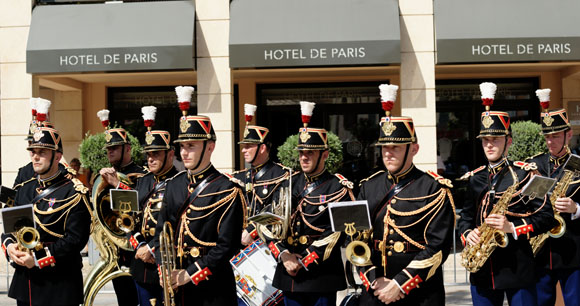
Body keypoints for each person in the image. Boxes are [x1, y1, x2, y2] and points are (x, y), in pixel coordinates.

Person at [357, 84, 456, 305]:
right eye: (384, 148)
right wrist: (375, 280)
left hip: (420, 291)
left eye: (396, 148)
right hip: (375, 289)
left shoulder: (434, 188)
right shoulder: (368, 187)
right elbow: (357, 239)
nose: (388, 153)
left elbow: (438, 247)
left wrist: (400, 283)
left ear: (414, 149)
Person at [457, 83, 555, 306]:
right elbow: (465, 217)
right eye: (485, 140)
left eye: (495, 140)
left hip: (517, 268)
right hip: (482, 271)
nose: (489, 145)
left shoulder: (526, 173)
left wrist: (511, 227)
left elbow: (546, 216)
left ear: (508, 142)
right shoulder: (475, 177)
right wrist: (467, 233)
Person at [153, 86, 246, 305]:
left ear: (210, 147)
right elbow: (161, 233)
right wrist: (163, 268)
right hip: (177, 287)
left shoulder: (228, 189)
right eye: (182, 146)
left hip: (212, 289)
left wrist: (189, 273)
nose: (184, 152)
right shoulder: (174, 185)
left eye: (191, 146)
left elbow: (227, 247)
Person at [267, 101, 354, 306]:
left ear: (324, 154)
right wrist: (284, 255)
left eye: (310, 153)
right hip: (289, 274)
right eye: (301, 153)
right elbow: (268, 223)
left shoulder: (339, 187)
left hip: (320, 275)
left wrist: (304, 259)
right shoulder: (287, 183)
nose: (304, 158)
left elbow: (337, 232)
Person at [1, 125, 92, 306]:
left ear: (57, 156)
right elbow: (10, 229)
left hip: (58, 285)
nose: (35, 156)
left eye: (42, 152)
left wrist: (36, 259)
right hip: (26, 284)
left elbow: (75, 240)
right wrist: (10, 247)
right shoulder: (25, 188)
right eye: (33, 151)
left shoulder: (74, 193)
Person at [526, 89, 580, 306]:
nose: (550, 142)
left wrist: (576, 208)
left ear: (569, 134)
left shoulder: (578, 163)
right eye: (547, 137)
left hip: (573, 252)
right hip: (540, 253)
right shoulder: (534, 164)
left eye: (555, 136)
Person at [96, 109, 146, 306]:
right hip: (116, 250)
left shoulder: (142, 175)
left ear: (127, 149)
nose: (110, 152)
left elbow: (141, 204)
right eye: (108, 149)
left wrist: (118, 185)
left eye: (115, 148)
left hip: (137, 248)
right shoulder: (103, 176)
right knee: (124, 300)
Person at [233, 104, 292, 246]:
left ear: (262, 148)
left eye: (248, 146)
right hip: (242, 246)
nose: (243, 151)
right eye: (243, 146)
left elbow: (278, 210)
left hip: (270, 244)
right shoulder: (240, 177)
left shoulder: (282, 175)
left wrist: (252, 230)